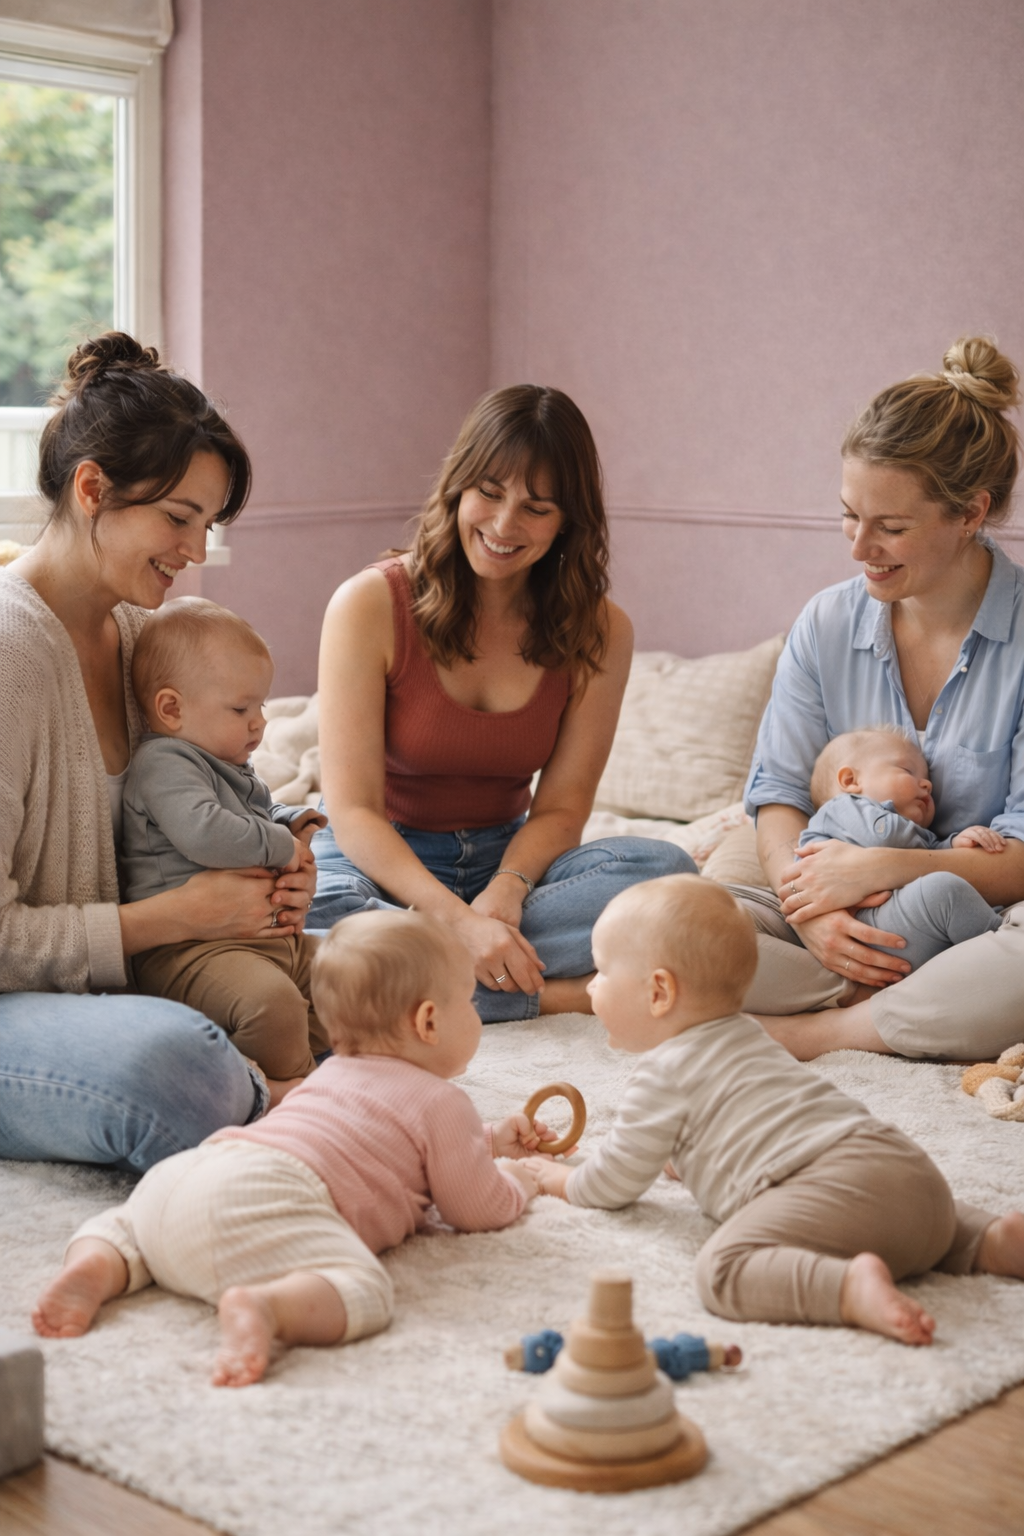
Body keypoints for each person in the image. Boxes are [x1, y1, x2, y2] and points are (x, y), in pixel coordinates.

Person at [0, 332, 316, 1170]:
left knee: (372, 937)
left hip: (138, 973)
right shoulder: (8, 653)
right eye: (179, 518)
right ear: (93, 487)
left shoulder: (145, 638)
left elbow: (229, 796)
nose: (195, 550)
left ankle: (287, 1079)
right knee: (174, 1067)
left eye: (207, 524)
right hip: (20, 1000)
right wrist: (176, 918)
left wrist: (288, 871)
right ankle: (292, 1097)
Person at [33, 910, 552, 1387]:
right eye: (469, 1002)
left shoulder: (324, 1077)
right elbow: (475, 1209)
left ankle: (98, 1264)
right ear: (429, 1021)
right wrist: (517, 1180)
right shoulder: (443, 1101)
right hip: (273, 1204)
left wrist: (484, 1140)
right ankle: (268, 1306)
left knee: (124, 1226)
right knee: (364, 1291)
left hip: (192, 1176)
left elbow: (382, 1140)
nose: (477, 1016)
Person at [310, 384, 694, 1023]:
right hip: (377, 860)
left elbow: (564, 807)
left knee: (669, 879)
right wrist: (456, 922)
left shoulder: (601, 630)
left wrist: (505, 896)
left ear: (569, 519)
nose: (504, 525)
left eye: (536, 507)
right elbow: (351, 811)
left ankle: (397, 985)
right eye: (489, 492)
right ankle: (547, 993)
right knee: (310, 923)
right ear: (458, 487)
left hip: (504, 866)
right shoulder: (369, 604)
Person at [524, 877, 1024, 1342]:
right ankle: (989, 1240)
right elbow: (729, 1129)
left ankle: (847, 1287)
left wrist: (555, 1178)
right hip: (917, 1183)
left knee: (721, 1269)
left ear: (659, 992)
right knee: (921, 1225)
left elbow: (612, 1184)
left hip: (838, 1198)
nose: (590, 987)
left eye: (601, 972)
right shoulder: (753, 1038)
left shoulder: (662, 1074)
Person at [738, 336, 1024, 1059]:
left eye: (891, 527)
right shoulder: (827, 621)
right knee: (672, 922)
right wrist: (809, 911)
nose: (859, 547)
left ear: (970, 513)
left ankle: (819, 1028)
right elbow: (777, 796)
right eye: (849, 516)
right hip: (822, 874)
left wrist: (887, 869)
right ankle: (883, 996)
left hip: (985, 909)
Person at [124, 598, 330, 1103]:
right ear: (171, 709)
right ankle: (299, 1097)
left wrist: (288, 819)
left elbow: (252, 814)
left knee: (350, 971)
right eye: (241, 709)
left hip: (264, 939)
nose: (259, 723)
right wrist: (279, 843)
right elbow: (205, 832)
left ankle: (287, 1062)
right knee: (273, 1003)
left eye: (261, 705)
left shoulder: (224, 759)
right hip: (190, 950)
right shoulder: (164, 761)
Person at [795, 727, 1002, 973]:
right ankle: (1004, 949)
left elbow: (927, 855)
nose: (927, 785)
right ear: (850, 781)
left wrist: (955, 844)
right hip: (858, 926)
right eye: (906, 771)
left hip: (892, 927)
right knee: (945, 891)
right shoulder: (840, 808)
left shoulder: (913, 833)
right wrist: (937, 850)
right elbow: (885, 839)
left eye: (928, 782)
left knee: (944, 891)